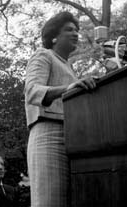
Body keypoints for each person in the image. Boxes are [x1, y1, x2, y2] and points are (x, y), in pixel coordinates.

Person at [24, 11, 96, 207]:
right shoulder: (44, 55)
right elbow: (32, 91)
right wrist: (68, 88)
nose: (75, 34)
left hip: (72, 136)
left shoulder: (69, 67)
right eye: (69, 30)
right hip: (49, 136)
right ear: (54, 36)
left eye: (77, 30)